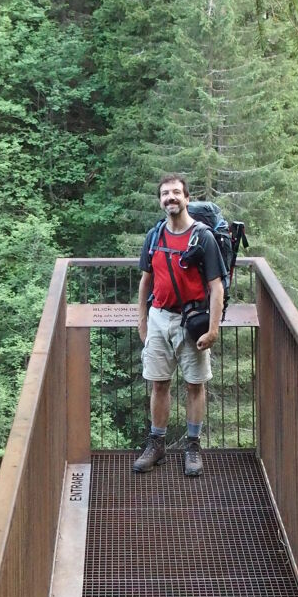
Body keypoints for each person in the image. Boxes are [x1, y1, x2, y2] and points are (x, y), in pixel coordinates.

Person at [133, 174, 224, 477]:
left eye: (175, 193)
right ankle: (156, 443)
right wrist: (143, 321)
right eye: (165, 194)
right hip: (159, 317)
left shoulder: (204, 237)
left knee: (195, 385)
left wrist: (213, 329)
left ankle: (193, 446)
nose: (170, 198)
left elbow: (216, 287)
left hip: (192, 320)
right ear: (161, 201)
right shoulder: (155, 236)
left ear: (187, 198)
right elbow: (146, 281)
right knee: (159, 383)